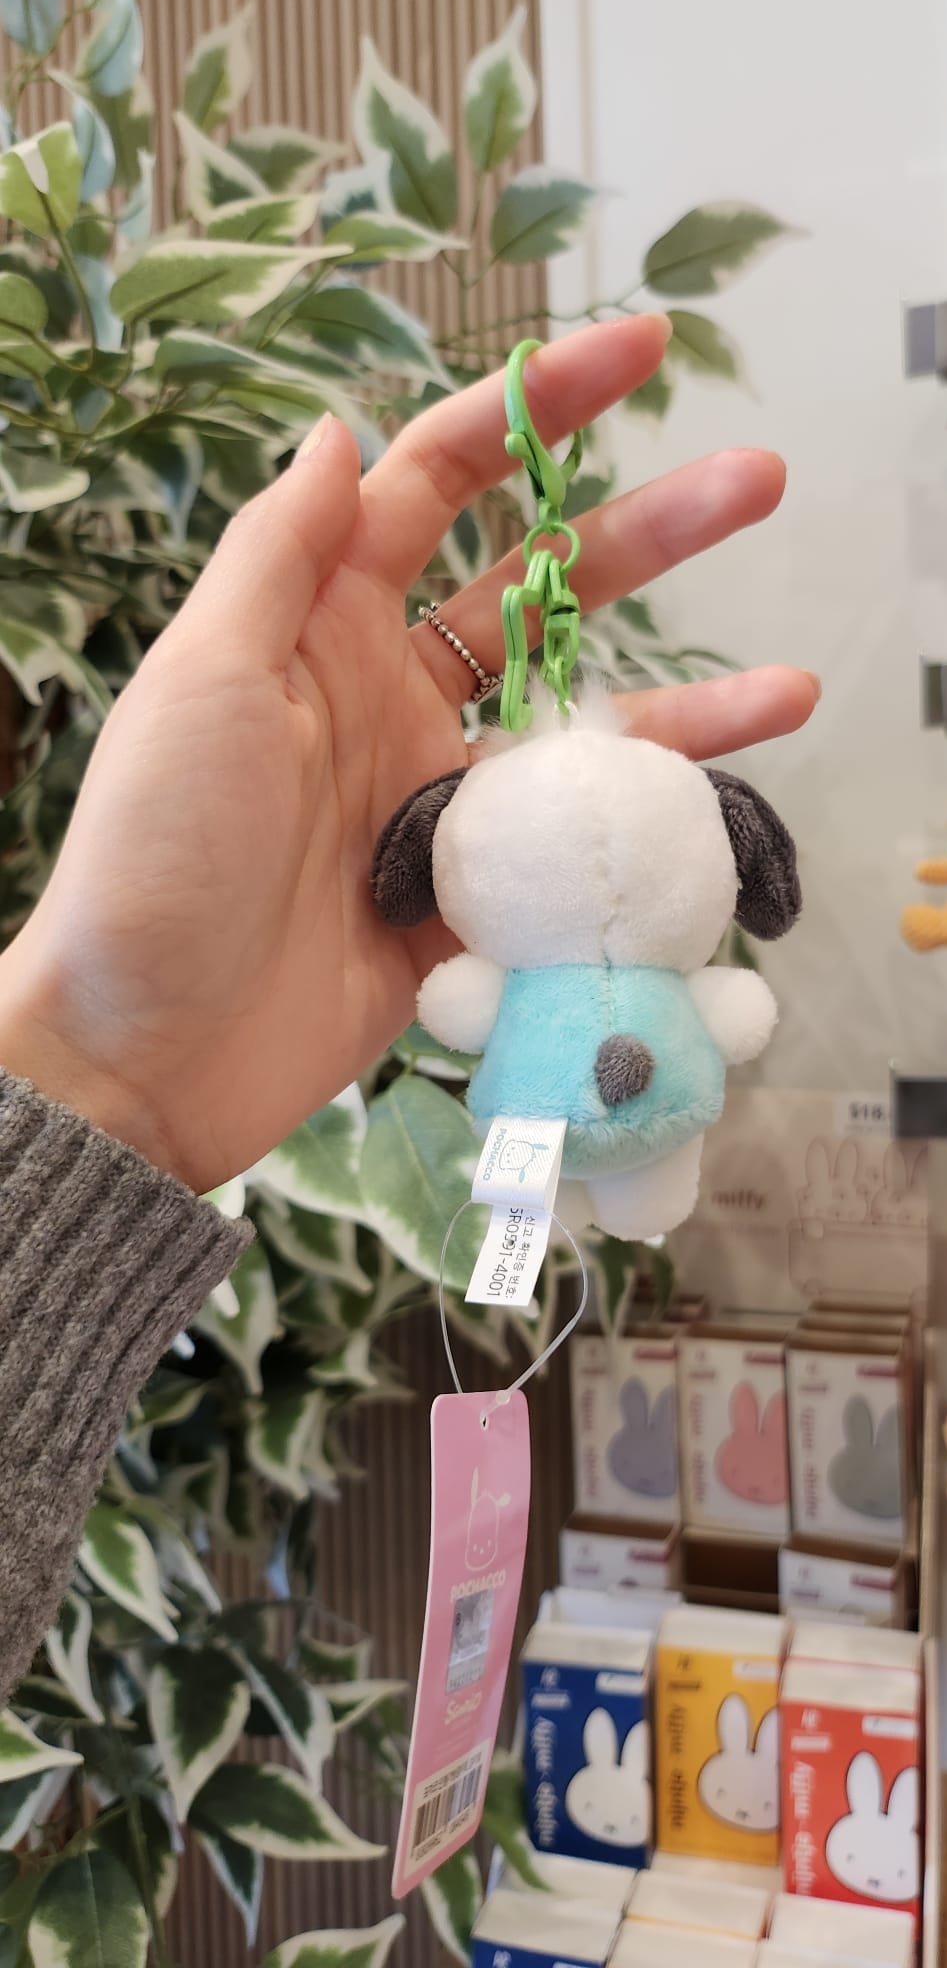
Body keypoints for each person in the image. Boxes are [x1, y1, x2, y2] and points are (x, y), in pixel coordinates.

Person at [0, 316, 818, 1704]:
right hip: (540, 1094)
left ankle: (628, 1194)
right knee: (572, 1179)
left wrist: (95, 1068)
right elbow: (482, 988)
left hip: (545, 1097)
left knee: (605, 1176)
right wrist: (94, 1063)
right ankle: (616, 1196)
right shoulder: (481, 888)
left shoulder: (523, 883)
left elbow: (505, 996)